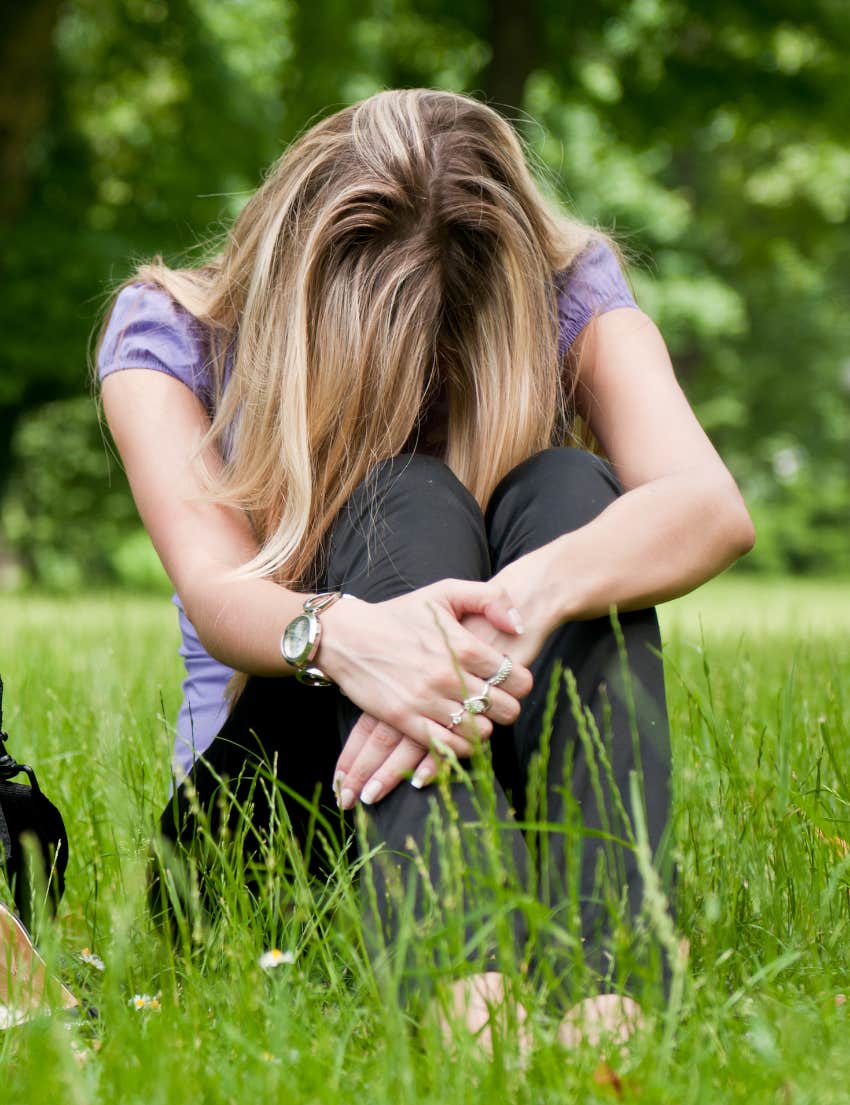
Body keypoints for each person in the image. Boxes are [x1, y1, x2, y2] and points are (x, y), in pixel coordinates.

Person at [96, 88, 754, 1050]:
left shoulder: (572, 291)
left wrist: (535, 593)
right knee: (399, 493)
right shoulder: (168, 332)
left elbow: (709, 505)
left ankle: (607, 983)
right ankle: (465, 987)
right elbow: (217, 587)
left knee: (575, 490)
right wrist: (351, 636)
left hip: (513, 801)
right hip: (279, 822)